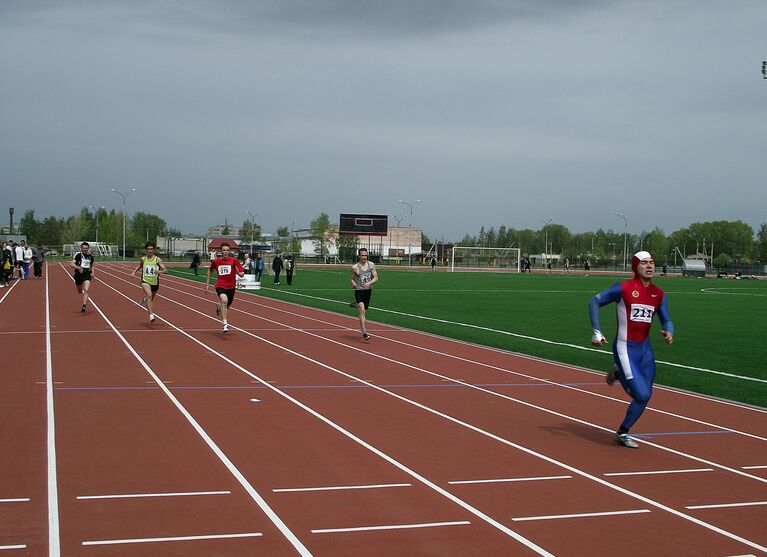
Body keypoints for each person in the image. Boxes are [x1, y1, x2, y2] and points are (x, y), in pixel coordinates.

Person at [588, 251, 674, 449]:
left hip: (645, 350)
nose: (649, 266)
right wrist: (596, 331)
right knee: (641, 395)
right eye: (644, 263)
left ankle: (623, 432)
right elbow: (594, 302)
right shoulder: (623, 288)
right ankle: (619, 371)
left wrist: (669, 330)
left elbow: (666, 319)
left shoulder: (658, 294)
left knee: (647, 394)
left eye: (652, 262)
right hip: (625, 347)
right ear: (635, 266)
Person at [205, 242, 245, 333]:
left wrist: (240, 274)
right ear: (220, 251)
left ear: (229, 251)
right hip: (220, 285)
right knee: (224, 300)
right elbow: (209, 271)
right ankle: (225, 323)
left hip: (231, 286)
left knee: (227, 306)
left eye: (227, 250)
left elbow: (241, 272)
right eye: (224, 250)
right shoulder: (216, 261)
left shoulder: (234, 261)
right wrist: (207, 284)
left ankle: (219, 307)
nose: (225, 252)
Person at [133, 242, 167, 323]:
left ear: (154, 250)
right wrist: (133, 272)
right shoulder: (143, 259)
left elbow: (166, 270)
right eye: (148, 249)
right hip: (145, 281)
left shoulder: (157, 259)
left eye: (151, 249)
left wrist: (158, 271)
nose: (150, 251)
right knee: (149, 295)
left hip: (155, 282)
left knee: (150, 299)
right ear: (146, 250)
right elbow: (140, 266)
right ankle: (151, 315)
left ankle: (145, 299)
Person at [350, 247, 378, 341]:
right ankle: (364, 332)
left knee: (364, 312)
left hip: (368, 291)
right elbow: (351, 278)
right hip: (359, 291)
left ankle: (356, 305)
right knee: (362, 310)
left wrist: (369, 283)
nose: (364, 257)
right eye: (362, 255)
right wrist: (353, 283)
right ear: (359, 256)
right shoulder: (355, 267)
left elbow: (376, 278)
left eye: (366, 255)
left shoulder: (371, 265)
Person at [70, 242, 95, 313]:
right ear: (81, 248)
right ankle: (79, 287)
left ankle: (84, 306)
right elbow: (71, 264)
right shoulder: (78, 255)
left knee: (86, 289)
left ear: (88, 248)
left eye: (86, 248)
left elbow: (92, 265)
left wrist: (93, 273)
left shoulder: (90, 256)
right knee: (80, 291)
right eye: (83, 248)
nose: (85, 250)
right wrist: (78, 268)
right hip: (78, 274)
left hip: (87, 273)